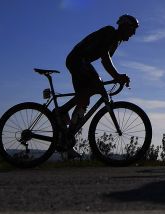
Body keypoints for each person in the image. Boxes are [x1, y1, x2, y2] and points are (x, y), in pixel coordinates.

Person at [59, 14, 139, 155]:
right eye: (133, 29)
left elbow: (105, 62)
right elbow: (105, 58)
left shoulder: (115, 42)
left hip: (81, 61)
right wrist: (118, 76)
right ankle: (61, 112)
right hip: (78, 60)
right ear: (125, 26)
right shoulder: (110, 32)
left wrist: (116, 76)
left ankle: (66, 139)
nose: (134, 33)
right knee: (96, 85)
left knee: (84, 100)